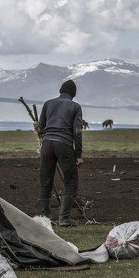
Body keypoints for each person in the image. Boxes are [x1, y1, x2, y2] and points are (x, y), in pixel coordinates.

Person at [36, 79, 84, 226]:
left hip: (47, 145)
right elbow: (77, 131)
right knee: (70, 181)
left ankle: (44, 219)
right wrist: (79, 154)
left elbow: (40, 128)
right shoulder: (75, 106)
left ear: (60, 91)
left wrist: (40, 131)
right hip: (63, 144)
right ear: (73, 94)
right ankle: (64, 219)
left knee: (46, 181)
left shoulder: (48, 103)